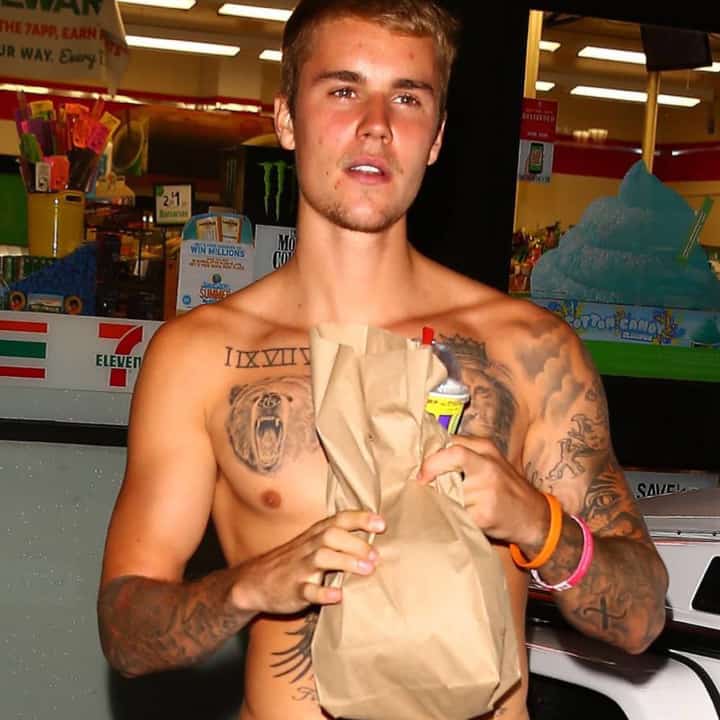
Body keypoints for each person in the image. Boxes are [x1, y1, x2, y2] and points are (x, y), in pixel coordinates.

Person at [97, 1, 669, 718]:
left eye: (407, 97)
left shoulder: (529, 349)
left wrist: (537, 522)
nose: (376, 125)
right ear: (285, 119)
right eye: (343, 90)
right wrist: (249, 585)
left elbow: (642, 617)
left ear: (436, 138)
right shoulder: (200, 357)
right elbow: (125, 630)